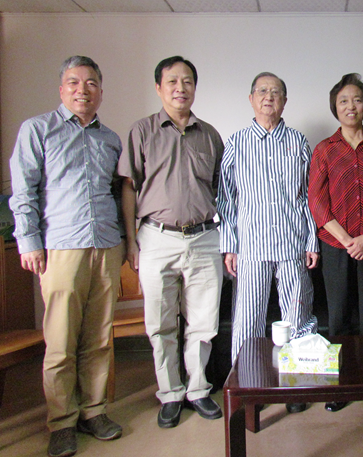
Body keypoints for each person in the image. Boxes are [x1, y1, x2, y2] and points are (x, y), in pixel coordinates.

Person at [9, 56, 123, 457]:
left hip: (106, 245)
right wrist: (28, 241)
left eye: (91, 83)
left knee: (98, 338)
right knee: (60, 341)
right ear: (61, 89)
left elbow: (116, 192)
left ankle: (94, 411)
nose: (82, 90)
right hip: (60, 248)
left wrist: (124, 242)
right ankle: (61, 422)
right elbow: (23, 191)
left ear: (100, 91)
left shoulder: (111, 139)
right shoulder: (37, 130)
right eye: (74, 82)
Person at [119, 56, 224, 429]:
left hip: (204, 238)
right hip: (156, 238)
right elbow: (128, 187)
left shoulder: (210, 135)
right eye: (173, 81)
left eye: (188, 81)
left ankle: (198, 389)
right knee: (160, 323)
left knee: (203, 322)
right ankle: (170, 393)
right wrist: (131, 242)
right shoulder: (142, 131)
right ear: (159, 87)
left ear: (195, 87)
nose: (181, 88)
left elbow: (220, 189)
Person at [217, 72, 318, 414]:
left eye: (276, 92)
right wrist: (230, 245)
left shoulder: (298, 142)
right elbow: (226, 199)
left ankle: (297, 387)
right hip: (251, 246)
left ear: (285, 101)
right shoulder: (237, 142)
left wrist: (312, 239)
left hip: (292, 243)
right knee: (248, 322)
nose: (269, 97)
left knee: (298, 317)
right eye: (262, 91)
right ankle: (248, 392)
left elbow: (308, 197)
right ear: (251, 99)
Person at [308, 73, 363, 412]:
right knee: (339, 317)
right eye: (343, 100)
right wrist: (348, 240)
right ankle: (341, 386)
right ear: (335, 107)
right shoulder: (324, 149)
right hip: (336, 247)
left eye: (357, 99)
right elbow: (317, 201)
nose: (351, 106)